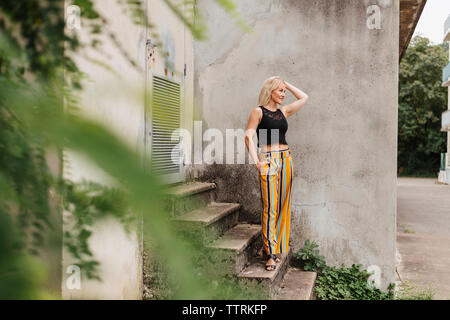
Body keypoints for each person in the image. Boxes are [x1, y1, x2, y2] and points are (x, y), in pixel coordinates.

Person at [245, 76, 309, 271]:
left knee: (282, 205)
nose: (283, 94)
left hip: (286, 159)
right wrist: (256, 160)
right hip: (269, 159)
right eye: (280, 91)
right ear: (270, 91)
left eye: (284, 91)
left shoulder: (283, 112)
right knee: (270, 206)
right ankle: (270, 253)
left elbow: (304, 97)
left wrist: (286, 83)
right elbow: (248, 134)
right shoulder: (259, 111)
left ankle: (276, 246)